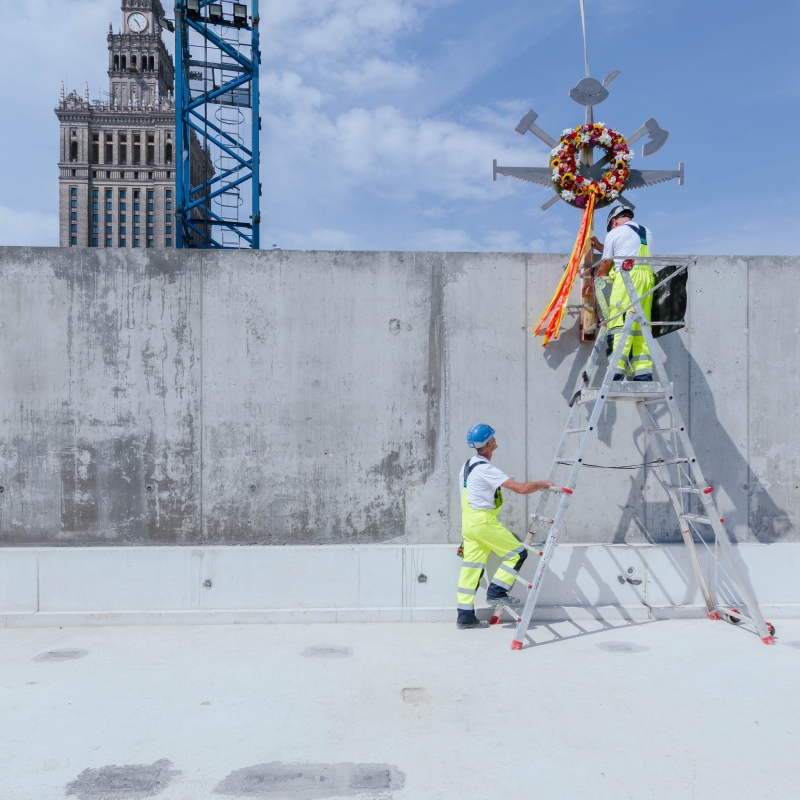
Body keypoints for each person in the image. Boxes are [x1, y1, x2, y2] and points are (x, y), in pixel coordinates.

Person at [456, 424, 555, 630]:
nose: (495, 439)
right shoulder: (485, 469)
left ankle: (465, 617)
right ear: (489, 443)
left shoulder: (467, 465)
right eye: (493, 437)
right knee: (517, 553)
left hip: (469, 525)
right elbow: (521, 488)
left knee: (470, 571)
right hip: (482, 522)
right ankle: (497, 592)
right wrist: (543, 484)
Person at [590, 205, 655, 381]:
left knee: (619, 322)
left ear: (614, 221)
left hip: (628, 278)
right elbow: (625, 249)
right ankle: (643, 376)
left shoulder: (614, 232)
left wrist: (596, 283)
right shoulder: (646, 232)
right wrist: (600, 247)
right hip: (648, 279)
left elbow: (606, 264)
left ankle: (615, 374)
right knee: (641, 326)